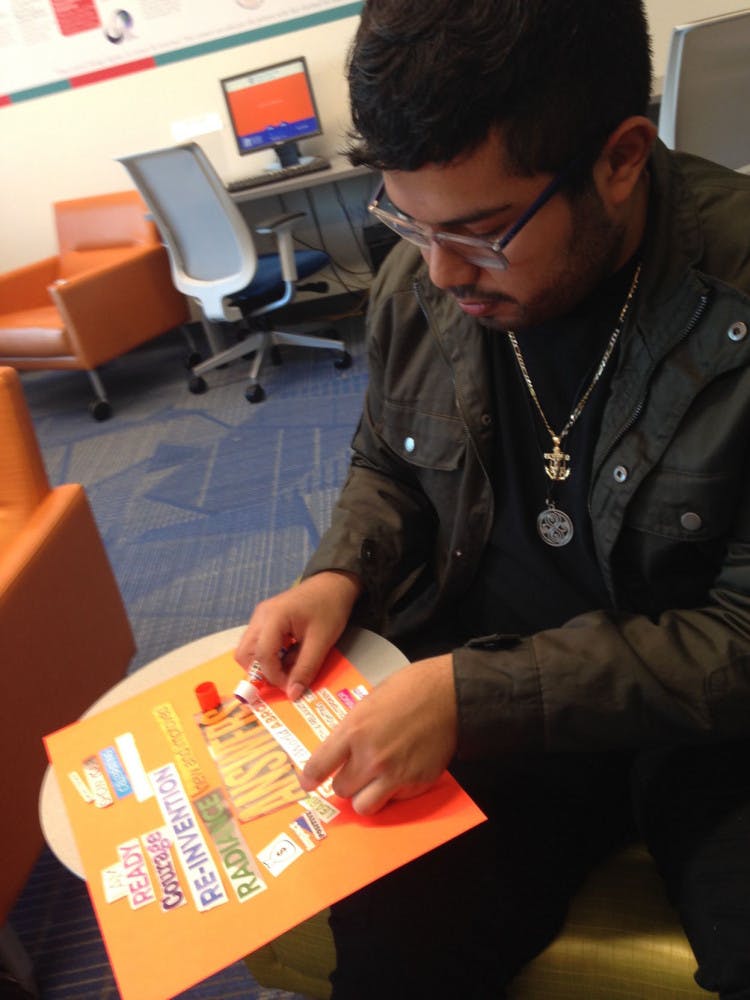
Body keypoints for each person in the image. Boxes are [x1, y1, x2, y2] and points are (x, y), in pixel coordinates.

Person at [235, 1, 750, 996]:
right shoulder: (419, 284)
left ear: (622, 157)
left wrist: (477, 695)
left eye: (480, 232)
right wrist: (343, 567)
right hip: (487, 693)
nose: (437, 271)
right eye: (405, 221)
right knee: (391, 953)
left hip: (704, 722)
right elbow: (389, 460)